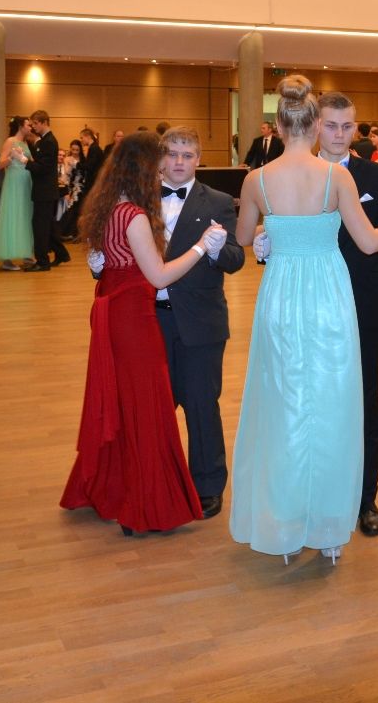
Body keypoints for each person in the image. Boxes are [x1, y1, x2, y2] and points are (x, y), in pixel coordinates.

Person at [231, 76, 378, 563]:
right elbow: (368, 241)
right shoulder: (336, 178)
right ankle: (326, 523)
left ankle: (284, 517)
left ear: (278, 126)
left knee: (282, 402)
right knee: (333, 405)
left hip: (281, 296)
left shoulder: (256, 180)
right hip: (328, 296)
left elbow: (244, 238)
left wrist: (269, 236)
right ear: (315, 125)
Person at [62, 132, 226, 534]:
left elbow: (112, 265)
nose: (165, 168)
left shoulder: (109, 206)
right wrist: (201, 246)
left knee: (129, 405)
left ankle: (121, 487)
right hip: (136, 322)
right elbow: (159, 275)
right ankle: (144, 502)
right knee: (146, 410)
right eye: (160, 161)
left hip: (120, 314)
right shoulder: (134, 214)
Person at [150, 126, 246, 517]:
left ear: (199, 159)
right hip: (149, 320)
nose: (179, 162)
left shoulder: (219, 201)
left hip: (201, 321)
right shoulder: (139, 199)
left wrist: (219, 251)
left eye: (187, 155)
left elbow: (236, 260)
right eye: (172, 154)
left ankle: (207, 482)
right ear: (161, 158)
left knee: (202, 403)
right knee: (153, 406)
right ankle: (155, 479)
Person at [25, 110, 71, 270]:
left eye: (35, 123)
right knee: (47, 226)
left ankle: (42, 262)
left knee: (40, 227)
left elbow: (42, 168)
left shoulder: (49, 141)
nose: (33, 126)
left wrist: (25, 161)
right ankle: (61, 253)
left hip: (45, 191)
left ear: (44, 122)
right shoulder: (44, 141)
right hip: (44, 191)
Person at [0, 117, 35, 270]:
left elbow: (31, 161)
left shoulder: (26, 143)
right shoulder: (10, 141)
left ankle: (26, 253)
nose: (30, 127)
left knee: (25, 216)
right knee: (13, 215)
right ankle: (7, 258)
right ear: (20, 126)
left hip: (26, 182)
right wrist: (11, 157)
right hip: (14, 182)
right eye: (28, 125)